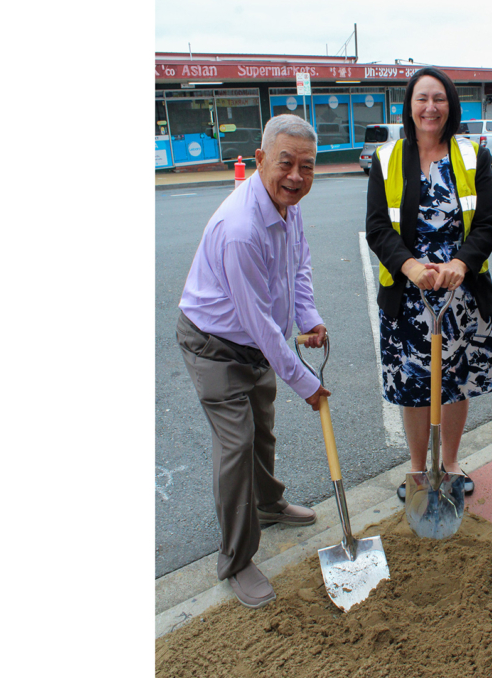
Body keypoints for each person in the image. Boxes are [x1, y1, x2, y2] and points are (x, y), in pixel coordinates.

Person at [175, 114, 331, 609]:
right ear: (260, 159)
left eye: (306, 167)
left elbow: (298, 265)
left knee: (262, 427)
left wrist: (308, 316)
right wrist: (304, 380)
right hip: (214, 344)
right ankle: (236, 561)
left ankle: (268, 504)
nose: (296, 177)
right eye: (285, 163)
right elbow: (259, 321)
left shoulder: (289, 205)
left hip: (256, 341)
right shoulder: (239, 228)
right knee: (237, 444)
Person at [365, 67, 492, 501]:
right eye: (422, 98)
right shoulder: (387, 159)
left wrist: (462, 263)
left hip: (461, 293)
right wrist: (409, 268)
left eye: (438, 98)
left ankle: (452, 463)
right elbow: (376, 227)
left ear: (450, 104)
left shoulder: (472, 154)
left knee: (457, 380)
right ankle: (419, 468)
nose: (430, 107)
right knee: (414, 385)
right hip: (409, 295)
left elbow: (487, 223)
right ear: (409, 105)